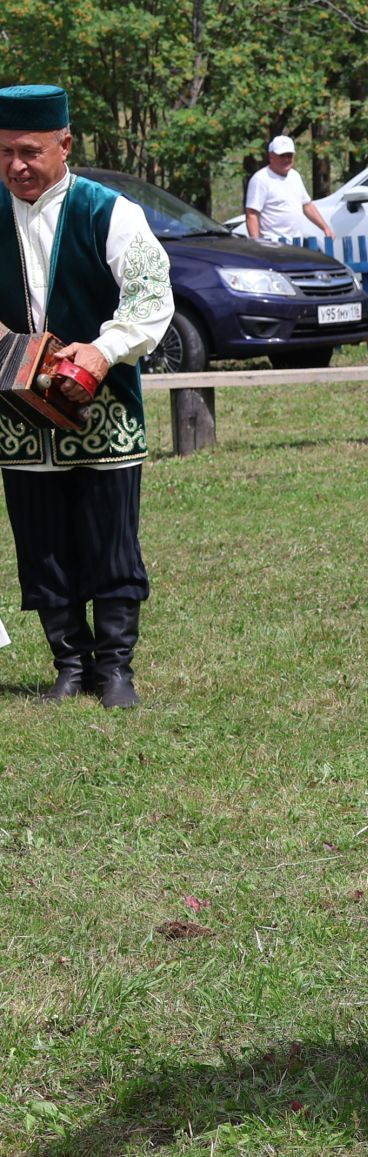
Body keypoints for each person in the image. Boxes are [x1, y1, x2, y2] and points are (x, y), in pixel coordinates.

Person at [0, 84, 174, 706]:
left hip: (102, 402)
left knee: (109, 536)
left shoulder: (111, 212)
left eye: (29, 151)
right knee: (42, 540)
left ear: (65, 144)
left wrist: (103, 350)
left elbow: (152, 297)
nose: (16, 166)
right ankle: (68, 662)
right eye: (3, 154)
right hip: (18, 415)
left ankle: (114, 667)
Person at [244, 134, 334, 243]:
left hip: (296, 243)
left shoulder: (294, 176)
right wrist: (257, 243)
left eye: (289, 155)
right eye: (282, 155)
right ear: (271, 156)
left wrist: (325, 228)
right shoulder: (261, 179)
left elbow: (307, 205)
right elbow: (252, 214)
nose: (287, 159)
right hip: (273, 245)